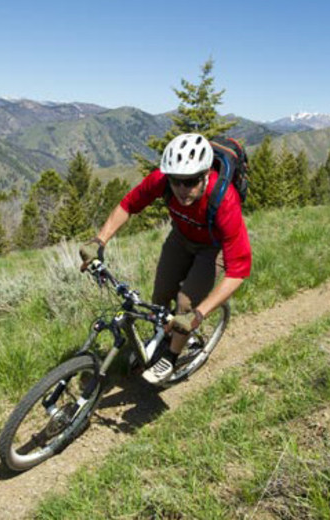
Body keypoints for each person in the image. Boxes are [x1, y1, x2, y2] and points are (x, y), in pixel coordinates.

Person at [79, 133, 252, 384]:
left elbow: (238, 270)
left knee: (184, 304)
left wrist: (198, 315)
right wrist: (99, 241)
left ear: (205, 175)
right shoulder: (161, 180)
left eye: (191, 182)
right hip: (180, 237)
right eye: (176, 182)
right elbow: (128, 205)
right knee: (160, 296)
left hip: (210, 249)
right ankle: (163, 337)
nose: (182, 190)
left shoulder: (224, 200)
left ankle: (171, 356)